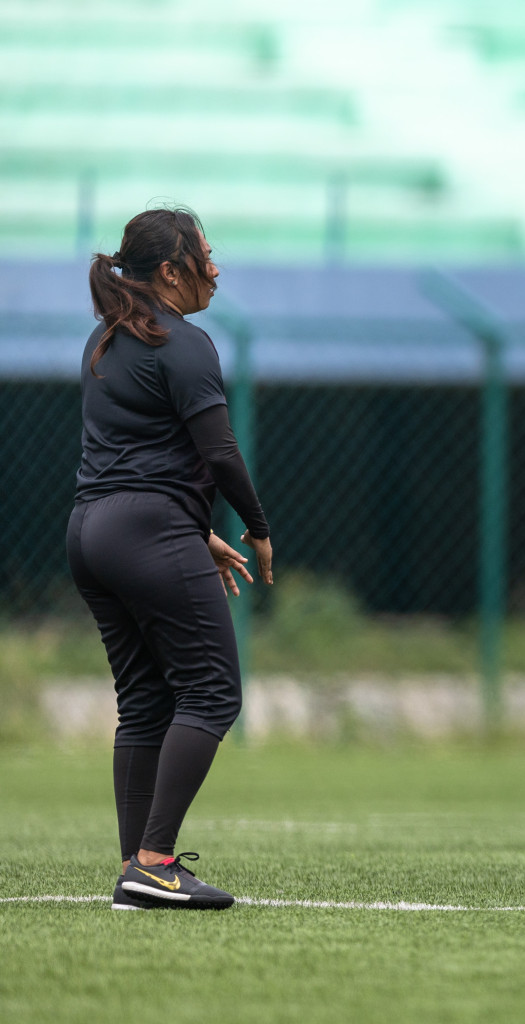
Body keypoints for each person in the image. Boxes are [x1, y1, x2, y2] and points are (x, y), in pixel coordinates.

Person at [67, 207, 273, 911]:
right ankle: (155, 861)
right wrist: (256, 527)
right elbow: (218, 453)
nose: (215, 269)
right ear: (169, 271)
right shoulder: (183, 341)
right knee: (213, 692)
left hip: (91, 532)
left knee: (145, 702)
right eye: (205, 257)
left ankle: (134, 868)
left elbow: (134, 458)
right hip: (148, 531)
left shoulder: (105, 338)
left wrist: (194, 529)